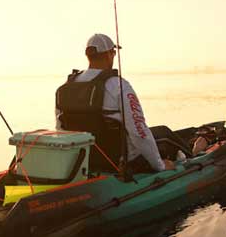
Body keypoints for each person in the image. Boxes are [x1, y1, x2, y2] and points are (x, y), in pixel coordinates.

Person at [55, 33, 173, 174]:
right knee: (165, 134)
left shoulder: (64, 88)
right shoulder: (119, 86)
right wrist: (160, 166)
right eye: (114, 52)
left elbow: (60, 131)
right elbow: (138, 131)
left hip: (86, 162)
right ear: (109, 54)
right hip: (121, 161)